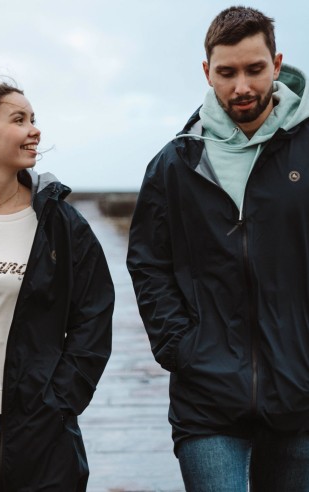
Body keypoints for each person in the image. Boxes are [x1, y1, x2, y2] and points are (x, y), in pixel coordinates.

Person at [127, 6, 309, 491]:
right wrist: (180, 347)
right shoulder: (175, 162)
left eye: (255, 69)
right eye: (226, 73)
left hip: (300, 394)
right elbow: (148, 264)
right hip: (206, 395)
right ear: (207, 72)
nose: (242, 87)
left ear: (277, 62)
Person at [0, 78, 114, 491]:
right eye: (19, 119)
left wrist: (61, 400)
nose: (35, 129)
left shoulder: (58, 222)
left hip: (39, 416)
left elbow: (94, 317)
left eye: (34, 119)